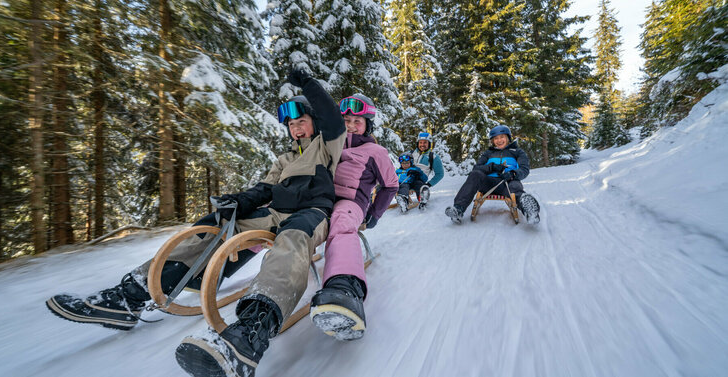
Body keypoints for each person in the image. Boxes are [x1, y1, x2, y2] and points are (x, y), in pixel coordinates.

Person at [45, 69, 346, 377]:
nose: (296, 129)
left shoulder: (327, 146)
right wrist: (238, 202)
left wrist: (308, 84)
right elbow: (265, 190)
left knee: (292, 239)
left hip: (311, 213)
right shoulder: (283, 161)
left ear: (314, 122)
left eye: (301, 121)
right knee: (215, 226)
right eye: (291, 125)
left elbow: (332, 116)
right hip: (274, 213)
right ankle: (130, 296)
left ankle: (251, 334)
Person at [309, 93, 398, 341]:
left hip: (350, 202)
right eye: (346, 120)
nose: (350, 125)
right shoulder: (329, 143)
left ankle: (345, 290)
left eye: (357, 121)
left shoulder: (375, 151)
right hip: (321, 199)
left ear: (368, 124)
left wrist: (373, 215)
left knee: (341, 223)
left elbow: (390, 185)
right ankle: (232, 258)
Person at [445, 125, 541, 224]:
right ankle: (458, 209)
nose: (499, 140)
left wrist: (513, 174)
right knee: (475, 174)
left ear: (508, 137)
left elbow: (524, 169)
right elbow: (476, 168)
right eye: (496, 138)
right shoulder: (488, 153)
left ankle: (530, 211)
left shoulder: (517, 152)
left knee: (515, 189)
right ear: (492, 141)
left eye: (502, 137)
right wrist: (492, 167)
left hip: (508, 182)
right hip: (488, 183)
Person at [401, 131, 444, 210]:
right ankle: (403, 200)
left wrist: (428, 185)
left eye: (425, 142)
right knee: (402, 185)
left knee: (419, 186)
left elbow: (440, 174)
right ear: (418, 143)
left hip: (420, 179)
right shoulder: (410, 154)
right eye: (420, 142)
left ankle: (423, 198)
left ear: (429, 144)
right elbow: (402, 164)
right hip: (407, 178)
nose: (422, 145)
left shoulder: (433, 157)